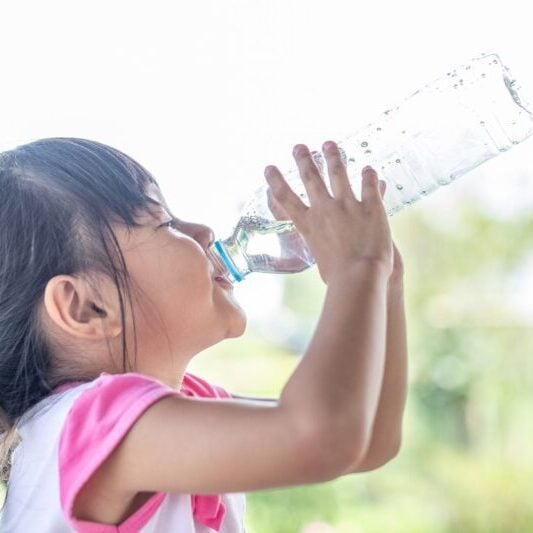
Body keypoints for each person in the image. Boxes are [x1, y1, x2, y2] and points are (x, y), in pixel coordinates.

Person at [0, 137, 408, 532]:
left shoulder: (177, 408)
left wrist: (385, 279)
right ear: (87, 307)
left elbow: (368, 439)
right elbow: (320, 437)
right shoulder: (88, 421)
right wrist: (358, 267)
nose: (204, 232)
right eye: (165, 223)